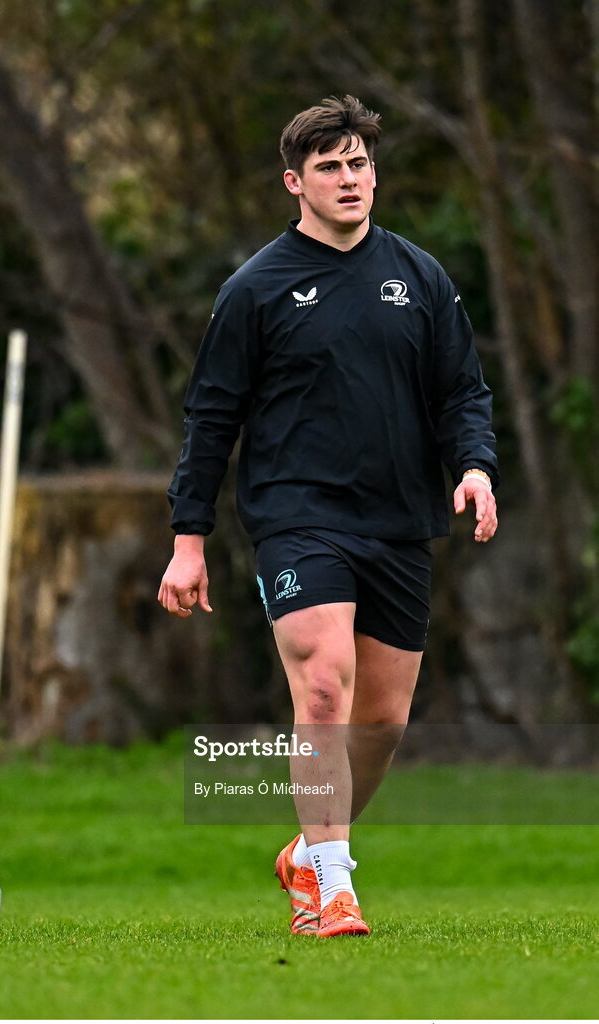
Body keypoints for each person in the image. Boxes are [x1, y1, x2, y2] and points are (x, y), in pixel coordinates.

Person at [158, 95, 498, 938]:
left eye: (359, 164)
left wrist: (476, 467)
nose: (350, 180)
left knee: (380, 721)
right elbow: (211, 419)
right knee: (321, 686)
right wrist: (188, 541)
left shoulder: (421, 278)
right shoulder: (255, 289)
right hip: (296, 516)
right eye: (330, 167)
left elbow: (463, 392)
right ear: (294, 183)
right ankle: (336, 888)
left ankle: (306, 853)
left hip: (401, 520)